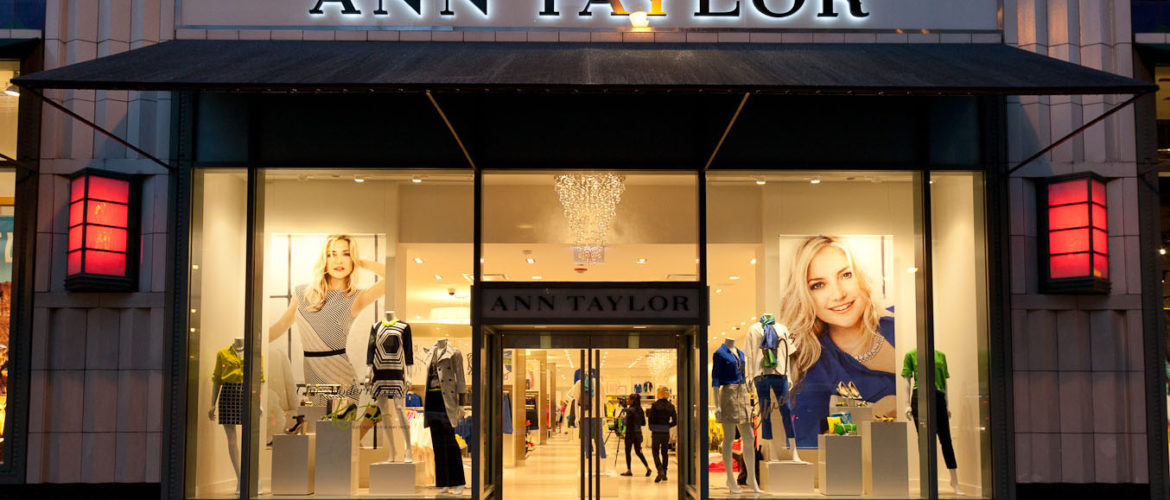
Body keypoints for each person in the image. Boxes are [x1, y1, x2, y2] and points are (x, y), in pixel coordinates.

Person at [780, 235, 897, 449]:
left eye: (846, 275)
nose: (838, 294)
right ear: (804, 296)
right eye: (818, 285)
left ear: (861, 277)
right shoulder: (813, 369)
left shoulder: (904, 322)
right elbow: (810, 448)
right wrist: (873, 414)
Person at [267, 235, 386, 400]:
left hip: (342, 378)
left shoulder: (355, 297)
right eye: (331, 254)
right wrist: (255, 344)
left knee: (339, 418)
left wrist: (361, 262)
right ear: (324, 259)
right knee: (313, 416)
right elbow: (282, 324)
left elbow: (391, 275)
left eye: (346, 254)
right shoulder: (302, 293)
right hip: (312, 377)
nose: (339, 260)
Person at [646, 386, 677, 483]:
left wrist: (652, 427)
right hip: (665, 432)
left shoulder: (655, 405)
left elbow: (651, 419)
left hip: (656, 432)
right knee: (664, 452)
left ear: (659, 393)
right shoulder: (671, 406)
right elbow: (675, 421)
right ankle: (665, 473)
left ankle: (660, 469)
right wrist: (668, 426)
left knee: (655, 451)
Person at [620, 393, 651, 477]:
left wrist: (623, 418)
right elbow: (643, 423)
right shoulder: (640, 410)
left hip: (630, 433)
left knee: (628, 452)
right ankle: (647, 468)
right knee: (638, 452)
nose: (627, 400)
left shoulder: (629, 410)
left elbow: (625, 423)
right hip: (638, 433)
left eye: (629, 399)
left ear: (632, 400)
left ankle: (629, 470)